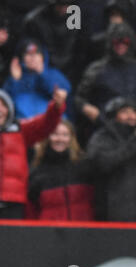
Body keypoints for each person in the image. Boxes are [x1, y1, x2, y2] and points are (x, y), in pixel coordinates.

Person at [75, 22, 136, 147]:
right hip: (105, 127)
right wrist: (95, 115)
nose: (121, 45)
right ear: (110, 43)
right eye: (116, 42)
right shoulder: (96, 69)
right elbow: (79, 98)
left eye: (125, 41)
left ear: (130, 43)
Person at [0, 87, 67, 219]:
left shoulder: (20, 130)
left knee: (13, 240)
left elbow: (46, 124)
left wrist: (56, 107)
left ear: (9, 109)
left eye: (3, 105)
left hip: (13, 201)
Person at [27, 120, 95, 221]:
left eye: (65, 135)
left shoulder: (84, 165)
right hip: (50, 233)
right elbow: (31, 211)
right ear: (47, 137)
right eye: (55, 134)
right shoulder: (36, 171)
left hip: (83, 231)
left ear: (71, 138)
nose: (60, 139)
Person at [2, 39, 71, 119]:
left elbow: (62, 94)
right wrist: (16, 81)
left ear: (43, 57)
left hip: (50, 122)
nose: (33, 57)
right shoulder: (15, 78)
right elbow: (6, 103)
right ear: (22, 59)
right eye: (28, 54)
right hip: (23, 123)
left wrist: (42, 73)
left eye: (37, 53)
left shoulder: (53, 74)